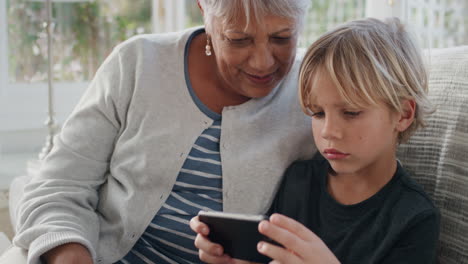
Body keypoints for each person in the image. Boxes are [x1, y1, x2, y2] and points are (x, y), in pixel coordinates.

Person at [8, 0, 315, 263]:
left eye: (282, 38)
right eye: (238, 39)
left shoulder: (317, 92)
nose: (262, 62)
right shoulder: (137, 63)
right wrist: (71, 254)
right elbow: (58, 186)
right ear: (203, 9)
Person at [191, 17, 440, 263]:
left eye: (351, 112)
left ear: (404, 114)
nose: (328, 131)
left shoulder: (414, 218)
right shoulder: (299, 181)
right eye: (318, 113)